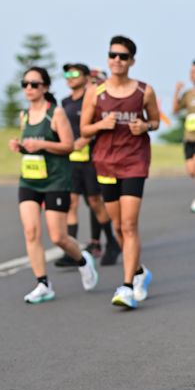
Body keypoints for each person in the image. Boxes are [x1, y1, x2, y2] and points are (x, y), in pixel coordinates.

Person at [81, 35, 160, 309]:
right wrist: (101, 126)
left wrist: (145, 127)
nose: (117, 60)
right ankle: (139, 272)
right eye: (113, 55)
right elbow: (84, 129)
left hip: (134, 162)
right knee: (117, 227)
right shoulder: (96, 92)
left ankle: (126, 287)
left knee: (129, 225)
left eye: (123, 56)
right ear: (108, 58)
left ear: (132, 61)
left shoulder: (144, 91)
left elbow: (156, 121)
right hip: (106, 163)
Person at [8, 66, 98, 303]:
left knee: (58, 237)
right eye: (25, 84)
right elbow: (30, 147)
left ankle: (83, 260)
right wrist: (20, 147)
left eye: (34, 84)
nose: (29, 88)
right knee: (31, 231)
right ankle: (43, 283)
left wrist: (43, 145)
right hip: (29, 180)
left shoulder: (56, 113)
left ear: (45, 87)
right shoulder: (24, 115)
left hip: (56, 180)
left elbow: (69, 146)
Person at [54, 63, 121, 267]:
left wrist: (85, 140)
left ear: (85, 77)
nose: (70, 77)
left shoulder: (92, 99)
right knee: (71, 203)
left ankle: (111, 242)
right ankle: (72, 253)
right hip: (71, 161)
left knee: (94, 201)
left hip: (91, 159)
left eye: (75, 73)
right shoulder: (65, 102)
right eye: (67, 73)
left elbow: (101, 126)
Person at [172, 60, 195, 212]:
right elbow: (175, 110)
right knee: (191, 171)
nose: (192, 75)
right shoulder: (188, 94)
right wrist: (177, 91)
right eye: (191, 72)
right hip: (189, 138)